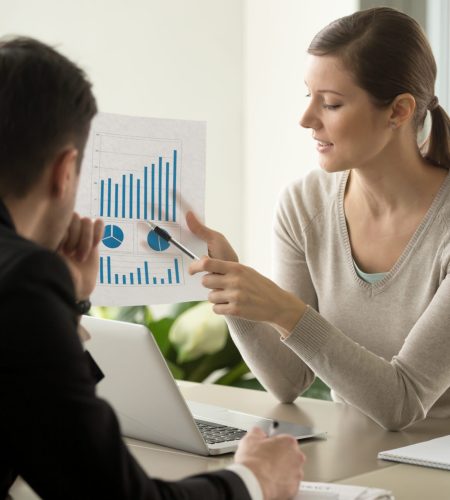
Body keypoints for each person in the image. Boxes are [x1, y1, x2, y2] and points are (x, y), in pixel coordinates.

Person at [0, 37, 306, 500]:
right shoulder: (23, 281)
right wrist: (253, 481)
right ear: (65, 171)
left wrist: (71, 302)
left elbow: (26, 413)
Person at [188, 7, 450, 431]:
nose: (306, 119)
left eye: (330, 103)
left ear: (399, 111)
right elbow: (288, 382)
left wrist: (287, 312)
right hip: (354, 455)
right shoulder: (303, 204)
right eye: (308, 95)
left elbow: (402, 402)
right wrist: (231, 285)